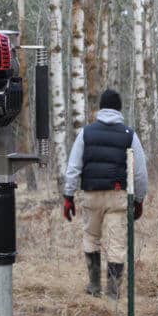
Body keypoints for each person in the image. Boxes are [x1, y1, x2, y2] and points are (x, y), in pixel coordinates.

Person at [63, 89, 148, 299]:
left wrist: (68, 196)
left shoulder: (86, 133)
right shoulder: (130, 135)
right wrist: (139, 199)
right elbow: (140, 172)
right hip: (118, 196)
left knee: (91, 237)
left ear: (100, 108)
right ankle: (113, 293)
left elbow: (73, 167)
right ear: (119, 109)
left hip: (91, 195)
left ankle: (94, 286)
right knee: (116, 243)